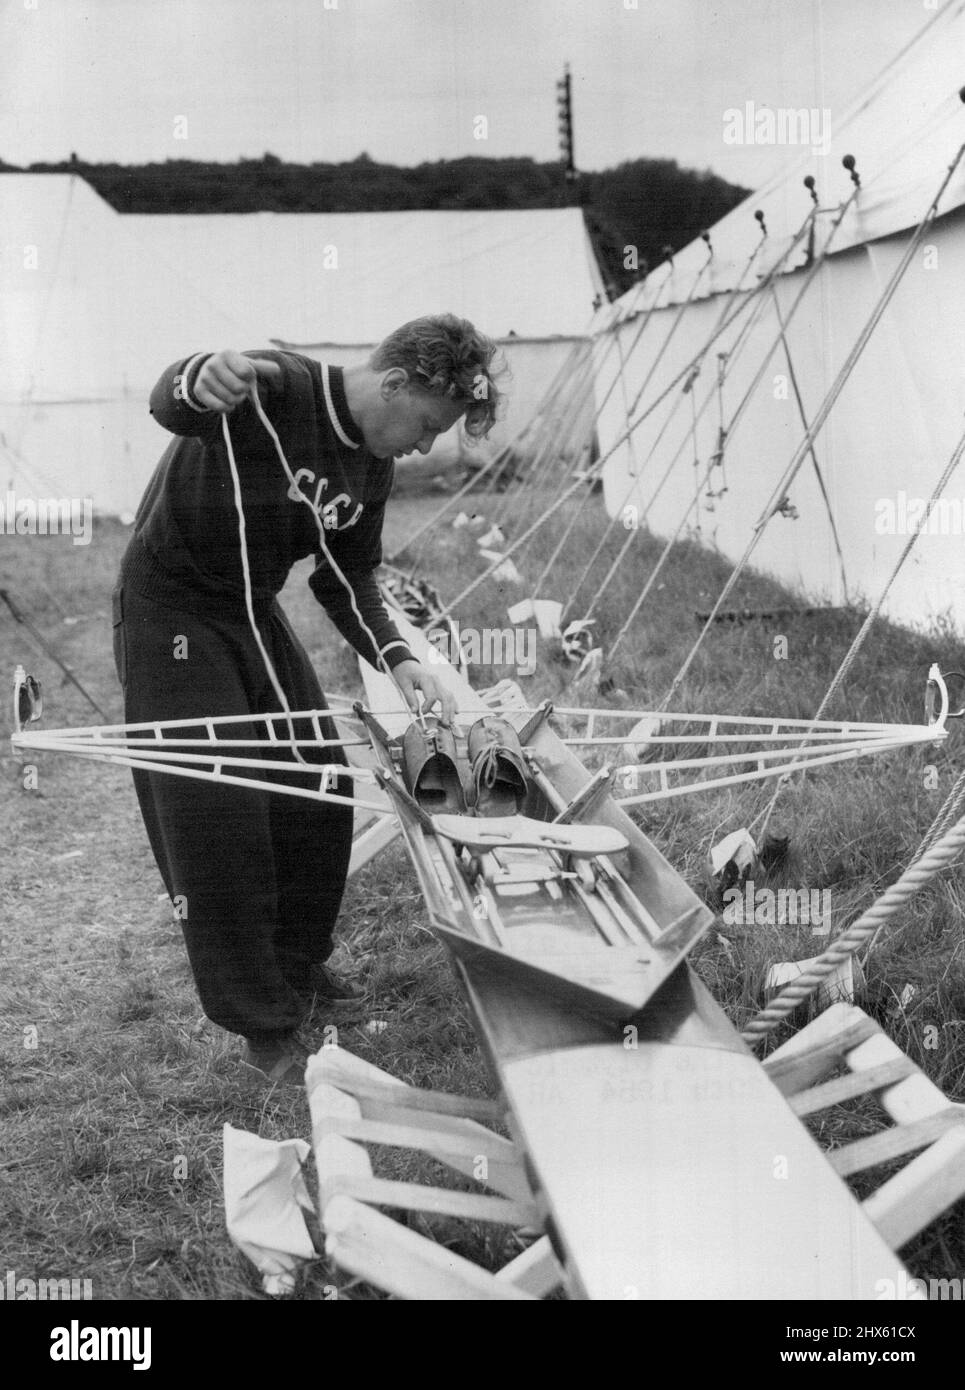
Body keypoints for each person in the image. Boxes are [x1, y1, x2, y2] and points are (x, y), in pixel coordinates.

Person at [111, 314, 503, 1083]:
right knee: (217, 807)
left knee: (317, 779)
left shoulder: (372, 468)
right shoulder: (276, 384)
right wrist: (200, 372)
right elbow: (176, 401)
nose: (424, 445)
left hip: (251, 609)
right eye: (426, 426)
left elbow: (344, 576)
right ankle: (262, 1024)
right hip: (172, 608)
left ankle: (298, 963)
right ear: (394, 383)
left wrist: (397, 659)